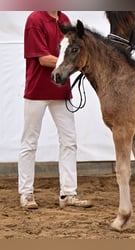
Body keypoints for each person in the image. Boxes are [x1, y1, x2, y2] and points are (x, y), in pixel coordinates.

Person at [18, 11, 92, 209]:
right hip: (37, 90)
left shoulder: (65, 20)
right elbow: (42, 59)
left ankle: (68, 193)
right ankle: (26, 193)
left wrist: (77, 60)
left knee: (69, 141)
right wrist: (77, 62)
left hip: (61, 91)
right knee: (29, 142)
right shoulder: (35, 20)